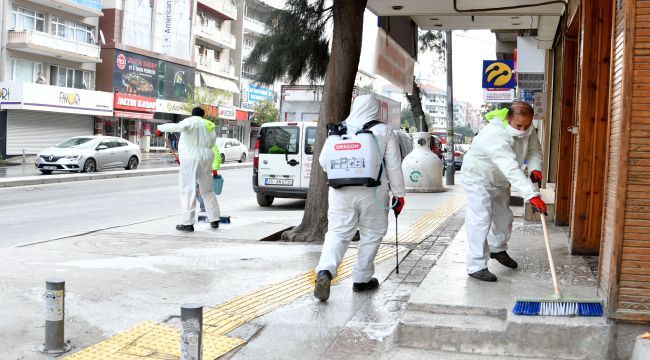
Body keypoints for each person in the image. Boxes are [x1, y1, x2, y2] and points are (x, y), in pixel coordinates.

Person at [313, 95, 406, 301]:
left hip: (340, 191)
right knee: (372, 233)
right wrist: (399, 194)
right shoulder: (383, 131)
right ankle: (362, 279)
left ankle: (325, 272)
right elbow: (393, 166)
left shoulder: (338, 129)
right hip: (373, 192)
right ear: (376, 110)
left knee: (337, 233)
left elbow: (323, 162)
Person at [460, 100, 547, 282]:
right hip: (478, 177)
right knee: (481, 218)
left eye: (527, 125)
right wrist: (532, 195)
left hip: (500, 179)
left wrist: (535, 168)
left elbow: (534, 150)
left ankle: (497, 250)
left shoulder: (528, 129)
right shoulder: (495, 134)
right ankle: (476, 265)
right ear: (508, 119)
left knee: (503, 216)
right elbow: (510, 166)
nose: (523, 129)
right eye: (518, 125)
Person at [155, 107, 221, 231]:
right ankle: (214, 219)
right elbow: (212, 143)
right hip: (206, 157)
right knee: (207, 189)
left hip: (190, 158)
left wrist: (160, 128)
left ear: (192, 114)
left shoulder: (190, 121)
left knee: (187, 189)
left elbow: (177, 127)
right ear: (203, 115)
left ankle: (188, 222)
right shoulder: (209, 126)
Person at [197, 141, 222, 218]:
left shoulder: (210, 143)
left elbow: (217, 157)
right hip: (196, 170)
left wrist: (214, 169)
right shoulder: (194, 142)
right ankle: (205, 208)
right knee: (196, 190)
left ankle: (207, 210)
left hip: (207, 171)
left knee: (206, 191)